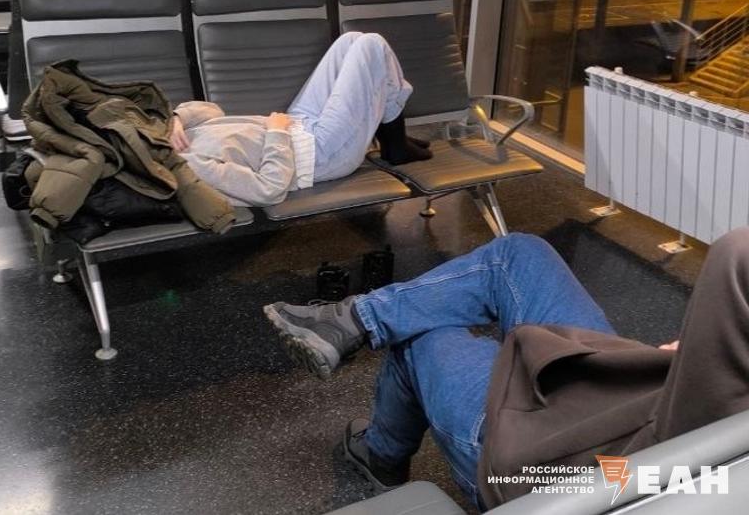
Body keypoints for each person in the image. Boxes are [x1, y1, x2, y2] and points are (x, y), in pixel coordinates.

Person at [263, 229, 749, 510]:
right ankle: (351, 320)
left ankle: (381, 456)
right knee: (519, 255)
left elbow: (737, 257)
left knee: (423, 333)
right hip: (639, 398)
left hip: (570, 464)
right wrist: (695, 359)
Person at [167, 32, 432, 208]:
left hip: (296, 125)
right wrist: (277, 133)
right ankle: (395, 142)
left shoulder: (165, 136)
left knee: (350, 40)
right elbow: (268, 190)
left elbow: (213, 112)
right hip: (320, 153)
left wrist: (177, 118)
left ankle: (393, 138)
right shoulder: (189, 165)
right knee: (372, 45)